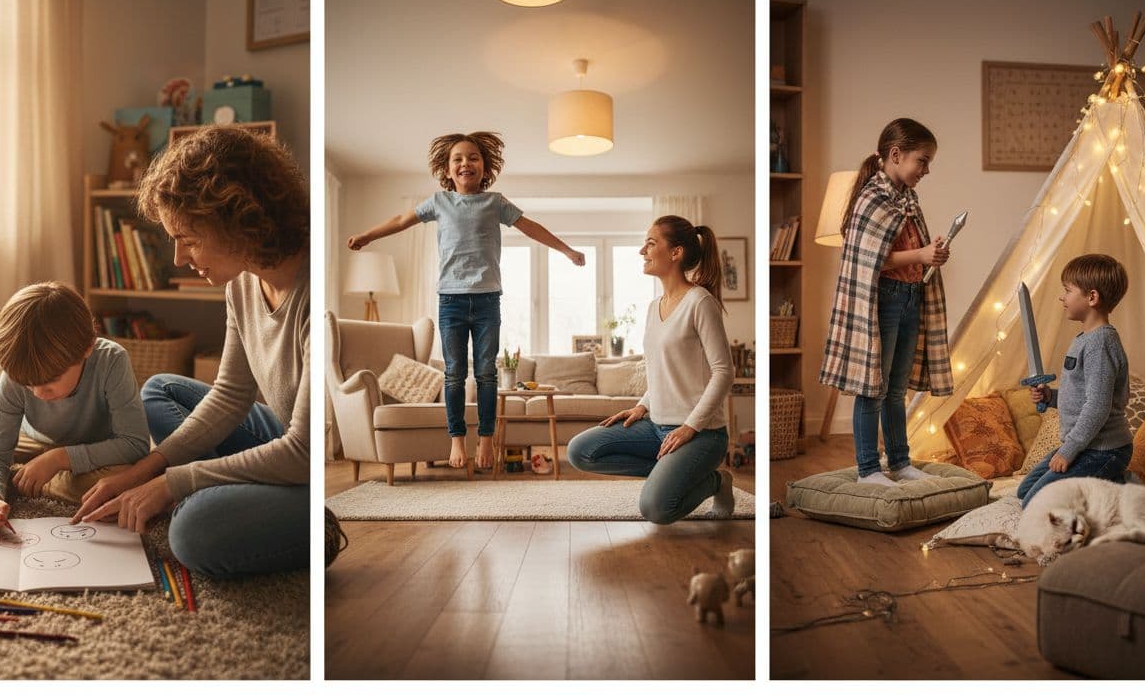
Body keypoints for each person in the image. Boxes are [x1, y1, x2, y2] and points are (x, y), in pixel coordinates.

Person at [71, 127, 310, 578]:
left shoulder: (316, 296)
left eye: (190, 239)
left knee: (193, 532)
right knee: (160, 389)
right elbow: (230, 394)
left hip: (308, 465)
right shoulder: (243, 277)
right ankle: (222, 490)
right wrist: (144, 471)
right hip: (280, 432)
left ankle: (311, 525)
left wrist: (175, 482)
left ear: (238, 219)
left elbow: (300, 452)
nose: (179, 259)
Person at [348, 131, 585, 470]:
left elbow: (530, 227)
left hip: (488, 300)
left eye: (473, 157)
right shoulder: (438, 202)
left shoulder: (495, 202)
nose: (465, 163)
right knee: (455, 374)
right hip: (451, 302)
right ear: (447, 169)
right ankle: (457, 440)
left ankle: (486, 440)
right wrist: (368, 236)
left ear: (484, 166)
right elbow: (402, 220)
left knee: (486, 373)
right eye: (457, 158)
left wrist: (566, 250)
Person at [0, 281, 149, 534]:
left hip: (95, 452)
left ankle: (32, 480)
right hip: (34, 442)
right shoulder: (18, 372)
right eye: (28, 385)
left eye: (50, 383)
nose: (38, 393)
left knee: (127, 478)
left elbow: (134, 444)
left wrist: (60, 459)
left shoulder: (111, 361)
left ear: (87, 349)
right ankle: (24, 479)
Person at [566, 216, 734, 524]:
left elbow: (724, 372)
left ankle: (716, 481)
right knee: (581, 451)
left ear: (676, 253)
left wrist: (690, 427)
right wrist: (642, 406)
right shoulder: (653, 306)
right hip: (656, 427)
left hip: (702, 435)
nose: (642, 251)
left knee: (657, 508)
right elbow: (661, 371)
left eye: (651, 243)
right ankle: (673, 473)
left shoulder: (700, 302)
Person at [819, 118, 953, 487]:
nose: (925, 170)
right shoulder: (872, 198)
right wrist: (920, 255)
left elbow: (908, 250)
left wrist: (931, 255)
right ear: (896, 155)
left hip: (911, 297)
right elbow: (872, 259)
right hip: (886, 300)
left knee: (896, 389)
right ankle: (868, 469)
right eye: (922, 161)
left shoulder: (908, 198)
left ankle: (899, 461)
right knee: (872, 387)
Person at [1016, 254, 1132, 508]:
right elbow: (1081, 396)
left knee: (1035, 503)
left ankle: (1115, 490)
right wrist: (1051, 397)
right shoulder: (1084, 339)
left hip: (1104, 450)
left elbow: (1098, 407)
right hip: (1086, 446)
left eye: (1068, 290)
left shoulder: (1100, 343)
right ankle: (1105, 485)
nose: (1062, 297)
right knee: (1024, 491)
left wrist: (1068, 451)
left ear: (1091, 297)